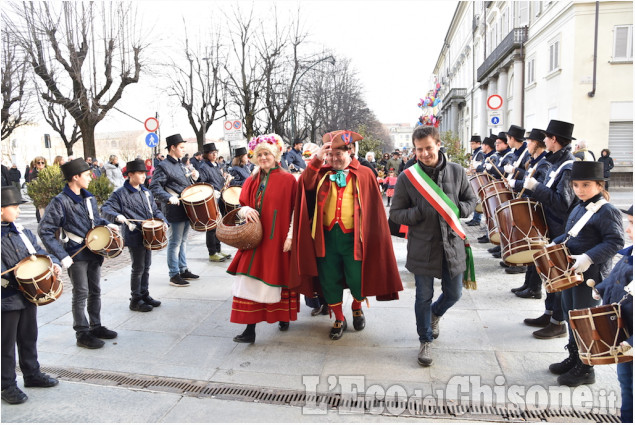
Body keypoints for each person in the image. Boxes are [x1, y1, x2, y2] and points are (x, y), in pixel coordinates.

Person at [292, 130, 403, 340]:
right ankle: (339, 317)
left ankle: (356, 306)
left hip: (354, 239)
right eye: (330, 154)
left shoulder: (364, 173)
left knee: (357, 278)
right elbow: (305, 184)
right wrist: (317, 159)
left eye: (339, 154)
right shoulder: (321, 172)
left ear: (349, 151)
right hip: (325, 239)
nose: (334, 158)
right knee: (329, 279)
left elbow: (373, 212)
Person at [390, 126, 477, 367]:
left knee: (454, 293)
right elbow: (396, 214)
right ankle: (425, 339)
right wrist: (418, 212)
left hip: (452, 244)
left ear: (438, 144)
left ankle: (436, 314)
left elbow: (472, 200)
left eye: (429, 147)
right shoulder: (408, 177)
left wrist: (459, 210)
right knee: (423, 297)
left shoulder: (457, 172)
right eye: (419, 150)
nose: (425, 153)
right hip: (422, 247)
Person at [549, 161, 624, 386]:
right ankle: (575, 356)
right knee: (571, 315)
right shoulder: (580, 205)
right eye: (576, 185)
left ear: (600, 185)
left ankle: (586, 368)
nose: (580, 190)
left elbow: (616, 241)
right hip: (573, 272)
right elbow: (571, 235)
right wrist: (554, 243)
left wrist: (589, 257)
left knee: (585, 320)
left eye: (586, 185)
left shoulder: (606, 210)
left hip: (591, 275)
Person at [38, 158, 118, 349]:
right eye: (87, 175)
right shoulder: (60, 201)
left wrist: (107, 224)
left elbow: (95, 220)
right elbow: (45, 230)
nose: (91, 177)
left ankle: (96, 326)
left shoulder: (88, 197)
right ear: (75, 177)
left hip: (94, 252)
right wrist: (60, 255)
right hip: (76, 253)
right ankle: (82, 333)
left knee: (95, 290)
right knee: (81, 292)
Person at [227, 134, 298, 343]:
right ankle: (250, 330)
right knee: (248, 281)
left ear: (275, 155)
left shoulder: (288, 180)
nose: (264, 157)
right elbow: (240, 207)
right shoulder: (250, 180)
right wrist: (245, 209)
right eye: (260, 154)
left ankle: (283, 316)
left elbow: (296, 211)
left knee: (278, 280)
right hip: (254, 240)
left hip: (278, 240)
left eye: (267, 153)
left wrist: (291, 236)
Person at [516, 120, 578, 339]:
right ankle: (549, 313)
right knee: (549, 275)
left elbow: (562, 203)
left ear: (553, 140)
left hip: (561, 229)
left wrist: (536, 188)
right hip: (550, 226)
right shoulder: (555, 162)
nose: (543, 141)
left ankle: (557, 322)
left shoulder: (568, 166)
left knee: (558, 277)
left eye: (546, 137)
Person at [1, 186, 60, 404]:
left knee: (28, 336)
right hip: (6, 299)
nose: (17, 211)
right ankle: (7, 384)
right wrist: (15, 279)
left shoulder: (22, 232)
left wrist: (49, 263)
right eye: (14, 207)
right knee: (5, 345)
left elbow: (38, 251)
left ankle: (32, 374)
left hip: (28, 295)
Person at [101, 159, 166, 312]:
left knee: (147, 266)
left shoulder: (146, 191)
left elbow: (154, 211)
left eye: (145, 173)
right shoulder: (120, 193)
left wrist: (163, 220)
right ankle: (135, 299)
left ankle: (144, 294)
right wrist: (117, 216)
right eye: (140, 173)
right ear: (130, 175)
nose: (144, 176)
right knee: (138, 268)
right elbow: (105, 209)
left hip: (149, 234)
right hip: (134, 235)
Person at [594, 205, 632, 423]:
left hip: (631, 338)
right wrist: (600, 288)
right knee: (625, 381)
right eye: (629, 223)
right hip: (624, 332)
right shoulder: (630, 255)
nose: (628, 230)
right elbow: (614, 277)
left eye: (633, 224)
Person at [149, 134, 200, 287]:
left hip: (184, 206)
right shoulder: (163, 165)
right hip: (173, 208)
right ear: (173, 147)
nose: (183, 150)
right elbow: (154, 186)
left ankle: (183, 269)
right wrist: (167, 197)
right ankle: (174, 274)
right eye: (181, 147)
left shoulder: (179, 164)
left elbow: (181, 183)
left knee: (183, 240)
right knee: (175, 242)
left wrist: (193, 178)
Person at [198, 142, 232, 262]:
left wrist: (226, 179)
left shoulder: (216, 165)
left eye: (216, 153)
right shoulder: (203, 167)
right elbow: (202, 183)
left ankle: (218, 249)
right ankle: (212, 252)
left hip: (220, 197)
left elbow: (219, 179)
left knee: (219, 225)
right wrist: (212, 190)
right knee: (212, 226)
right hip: (212, 198)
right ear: (207, 155)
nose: (214, 155)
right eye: (212, 153)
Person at [465, 135, 484, 226]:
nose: (471, 145)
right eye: (471, 143)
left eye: (473, 143)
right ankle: (475, 218)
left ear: (478, 143)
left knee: (478, 199)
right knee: (476, 199)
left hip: (479, 179)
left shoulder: (480, 153)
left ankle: (477, 219)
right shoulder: (476, 153)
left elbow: (479, 167)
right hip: (475, 178)